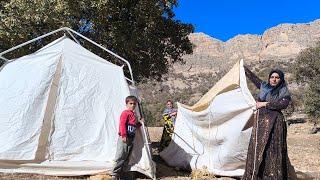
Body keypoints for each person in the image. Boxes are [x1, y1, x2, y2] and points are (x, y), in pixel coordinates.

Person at [242, 66, 297, 180]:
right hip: (261, 123)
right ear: (269, 78)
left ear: (281, 79)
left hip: (276, 124)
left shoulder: (284, 91)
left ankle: (273, 176)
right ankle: (257, 175)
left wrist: (264, 104)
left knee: (273, 149)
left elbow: (282, 104)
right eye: (272, 77)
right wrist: (242, 67)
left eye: (277, 77)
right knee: (258, 148)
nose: (274, 79)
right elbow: (253, 78)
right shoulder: (264, 87)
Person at [111, 95, 143, 179]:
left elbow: (134, 126)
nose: (132, 105)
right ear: (127, 104)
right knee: (120, 156)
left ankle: (123, 174)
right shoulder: (125, 113)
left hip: (131, 138)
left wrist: (139, 123)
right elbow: (122, 124)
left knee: (127, 157)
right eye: (130, 103)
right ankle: (114, 174)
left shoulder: (133, 115)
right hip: (125, 138)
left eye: (134, 104)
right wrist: (124, 135)